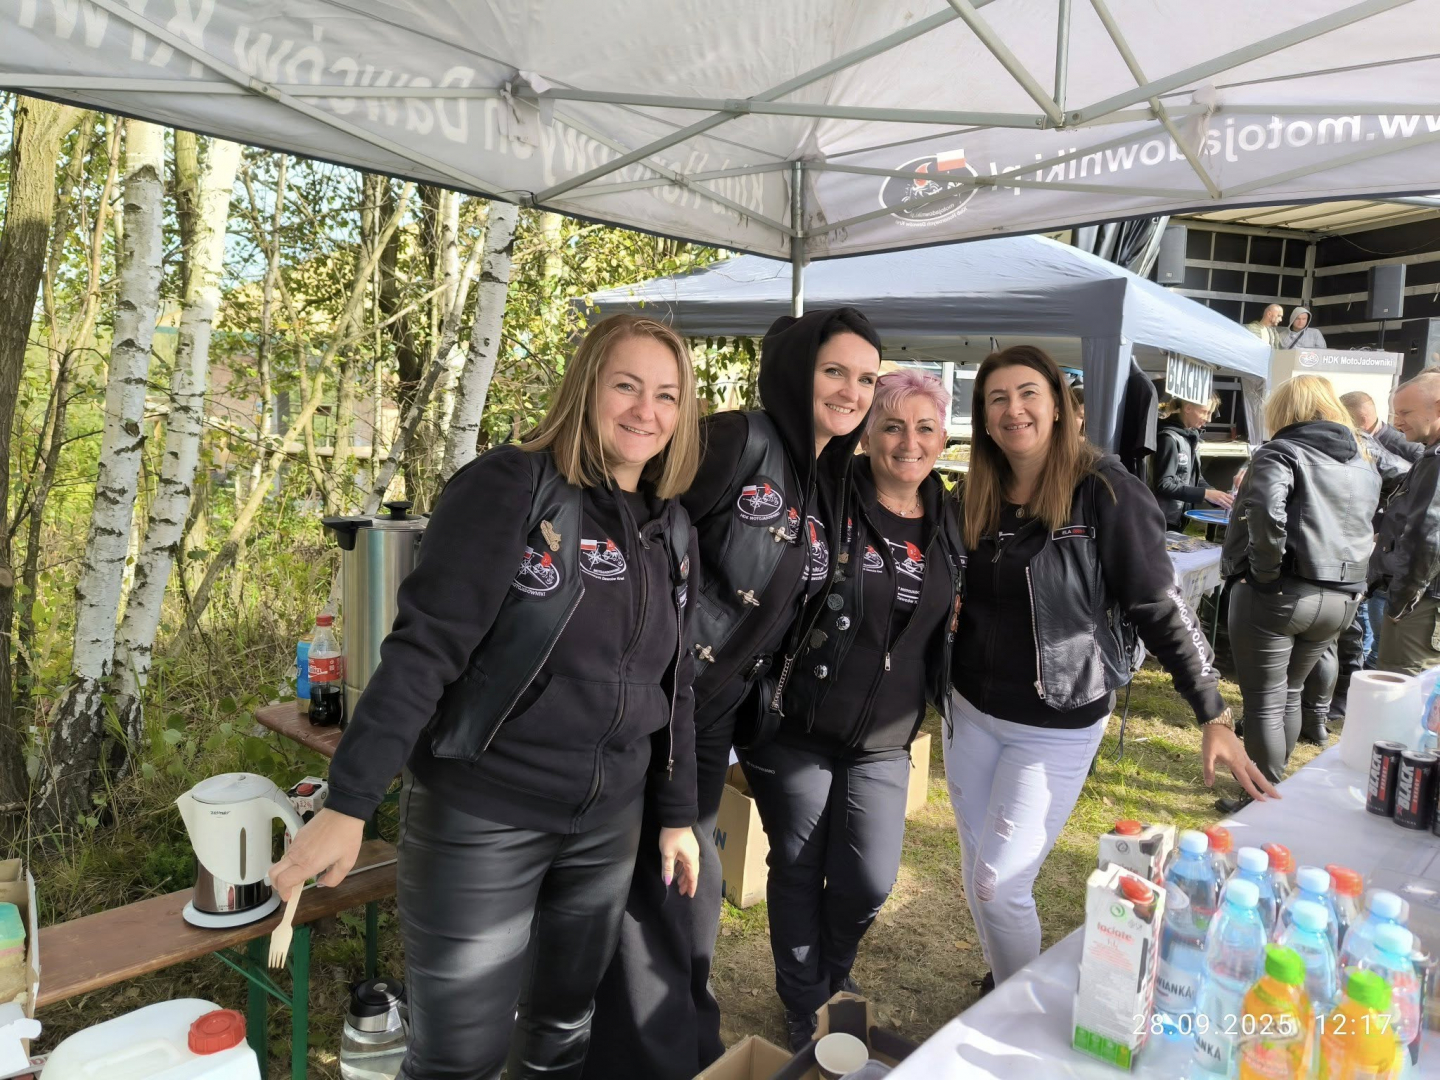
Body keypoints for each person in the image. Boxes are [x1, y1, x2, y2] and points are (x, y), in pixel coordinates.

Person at [271, 314, 704, 1080]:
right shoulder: (512, 485)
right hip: (484, 817)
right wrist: (349, 804)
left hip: (605, 825)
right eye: (627, 386)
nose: (647, 411)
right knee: (460, 1059)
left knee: (561, 1034)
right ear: (587, 388)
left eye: (667, 395)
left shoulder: (670, 527)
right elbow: (424, 648)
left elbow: (675, 686)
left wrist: (675, 816)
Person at [584, 307, 881, 1079]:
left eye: (865, 379)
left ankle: (680, 1040)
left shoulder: (824, 475)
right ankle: (658, 1051)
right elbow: (639, 530)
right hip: (660, 698)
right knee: (667, 888)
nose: (850, 391)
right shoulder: (737, 439)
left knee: (685, 884)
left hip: (715, 711)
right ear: (798, 371)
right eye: (834, 371)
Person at [945, 344, 1274, 994]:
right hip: (970, 711)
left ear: (1061, 407)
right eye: (997, 399)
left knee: (998, 885)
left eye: (1028, 393)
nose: (1013, 409)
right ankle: (1001, 986)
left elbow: (1159, 604)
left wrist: (1212, 711)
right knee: (976, 866)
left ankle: (1016, 1011)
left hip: (1056, 719)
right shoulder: (974, 492)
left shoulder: (1105, 491)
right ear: (983, 417)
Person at [739, 370, 963, 1049]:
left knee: (868, 880)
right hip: (798, 724)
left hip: (887, 739)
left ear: (943, 439)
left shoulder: (952, 519)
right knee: (798, 867)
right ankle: (806, 1003)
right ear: (867, 435)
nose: (908, 442)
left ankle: (831, 978)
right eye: (892, 426)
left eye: (925, 428)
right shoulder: (828, 496)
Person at [1221, 375, 1380, 777]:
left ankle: (1261, 791)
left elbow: (1264, 510)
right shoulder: (1363, 463)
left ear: (1282, 411)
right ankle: (1271, 786)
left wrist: (1264, 573)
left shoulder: (1280, 452)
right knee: (1288, 692)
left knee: (1266, 700)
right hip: (1341, 595)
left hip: (1284, 592)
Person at [1371, 372, 1440, 674]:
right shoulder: (1430, 456)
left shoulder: (1437, 461)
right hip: (1423, 600)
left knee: (1405, 687)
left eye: (1405, 412)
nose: (1397, 422)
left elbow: (1429, 536)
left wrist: (1402, 601)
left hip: (1422, 605)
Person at [1151, 393, 1233, 530]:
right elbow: (1163, 484)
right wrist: (1205, 494)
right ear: (1188, 408)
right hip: (1162, 519)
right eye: (1205, 412)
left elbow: (1194, 477)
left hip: (1178, 518)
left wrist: (1217, 496)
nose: (1209, 419)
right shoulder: (1168, 439)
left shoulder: (1190, 438)